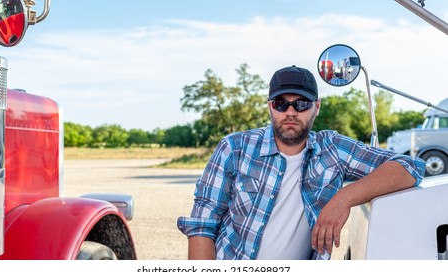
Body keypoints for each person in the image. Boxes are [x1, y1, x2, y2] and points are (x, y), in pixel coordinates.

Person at [177, 65, 425, 260]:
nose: (291, 112)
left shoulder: (333, 149)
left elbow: (410, 168)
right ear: (270, 107)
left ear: (316, 107)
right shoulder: (234, 148)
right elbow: (202, 225)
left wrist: (344, 198)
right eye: (281, 103)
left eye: (302, 103)